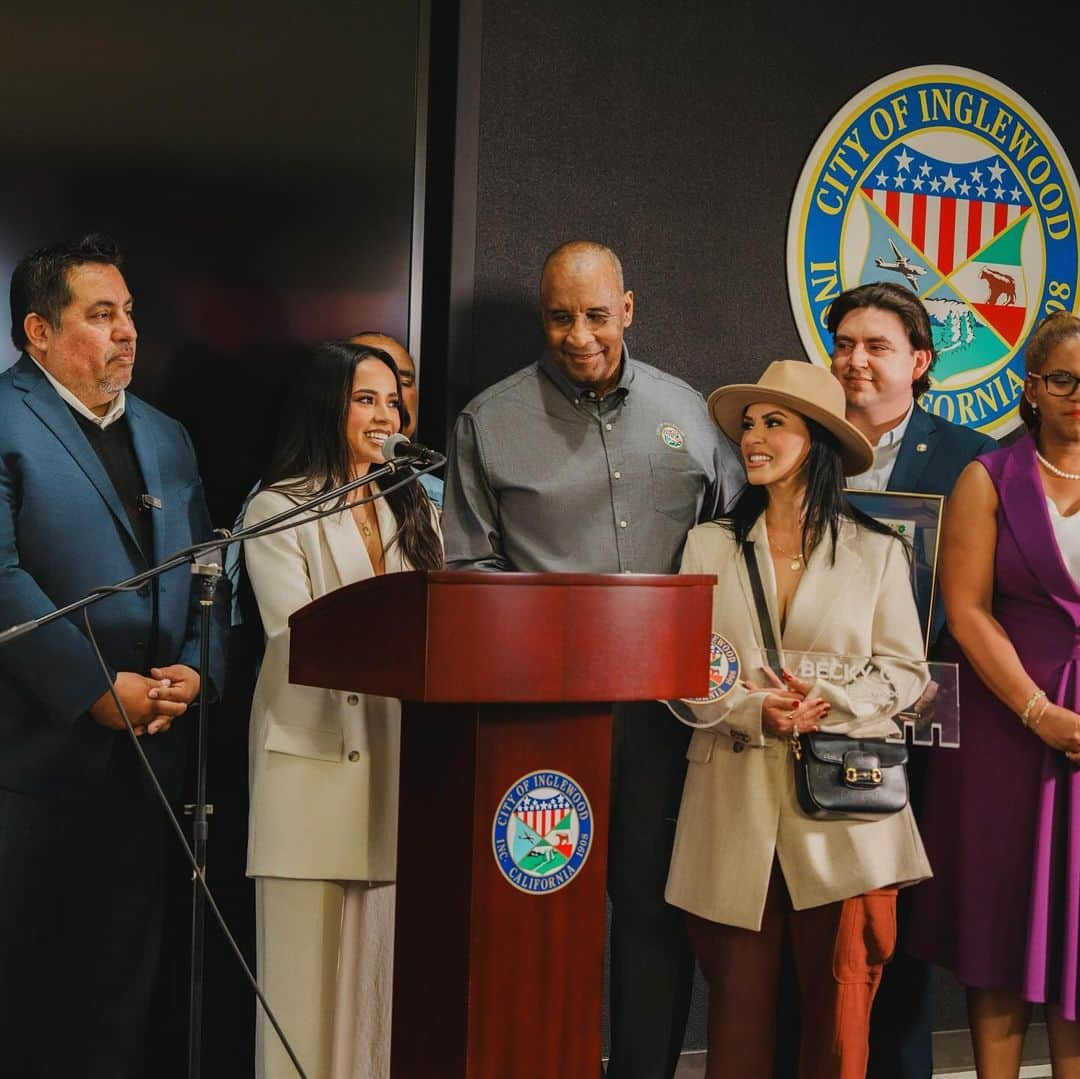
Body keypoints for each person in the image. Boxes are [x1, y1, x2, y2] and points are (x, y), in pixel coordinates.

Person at [441, 240, 744, 1079]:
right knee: (538, 918)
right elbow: (467, 574)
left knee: (651, 915)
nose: (579, 335)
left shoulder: (691, 416)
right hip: (538, 728)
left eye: (597, 315)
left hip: (666, 721)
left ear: (629, 310)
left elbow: (730, 551)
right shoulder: (486, 422)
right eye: (560, 316)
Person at [0, 233, 228, 1078]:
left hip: (153, 761)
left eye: (129, 312)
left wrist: (199, 669)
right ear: (39, 332)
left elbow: (211, 565)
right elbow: (0, 577)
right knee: (28, 993)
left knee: (123, 995)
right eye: (101, 315)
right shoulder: (3, 421)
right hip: (35, 764)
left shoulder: (166, 434)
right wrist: (96, 688)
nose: (127, 330)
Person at [666, 359, 932, 1079]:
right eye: (748, 423)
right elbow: (684, 670)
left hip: (845, 812)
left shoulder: (879, 551)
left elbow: (906, 673)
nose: (753, 436)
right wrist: (755, 708)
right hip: (734, 808)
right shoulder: (707, 545)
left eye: (773, 421)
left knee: (840, 1028)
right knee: (738, 1027)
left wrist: (826, 703)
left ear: (815, 439)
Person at [243, 340, 443, 1079]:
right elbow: (295, 636)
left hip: (401, 781)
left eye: (393, 400)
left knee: (382, 1004)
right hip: (312, 777)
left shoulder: (411, 504)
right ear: (328, 405)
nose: (385, 413)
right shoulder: (276, 509)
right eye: (366, 398)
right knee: (304, 1000)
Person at [826, 282, 997, 1079]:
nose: (856, 359)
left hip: (923, 724)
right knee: (816, 927)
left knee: (900, 931)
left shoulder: (974, 457)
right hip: (816, 715)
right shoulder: (803, 441)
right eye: (846, 342)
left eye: (877, 345)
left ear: (920, 361)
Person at [908, 311, 1080, 1078]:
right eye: (1067, 380)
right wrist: (1039, 711)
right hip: (1005, 726)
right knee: (1001, 923)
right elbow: (967, 610)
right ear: (1032, 388)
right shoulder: (988, 478)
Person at [351, 331, 444, 508]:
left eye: (403, 381)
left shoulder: (440, 497)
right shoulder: (293, 504)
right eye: (366, 397)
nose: (386, 413)